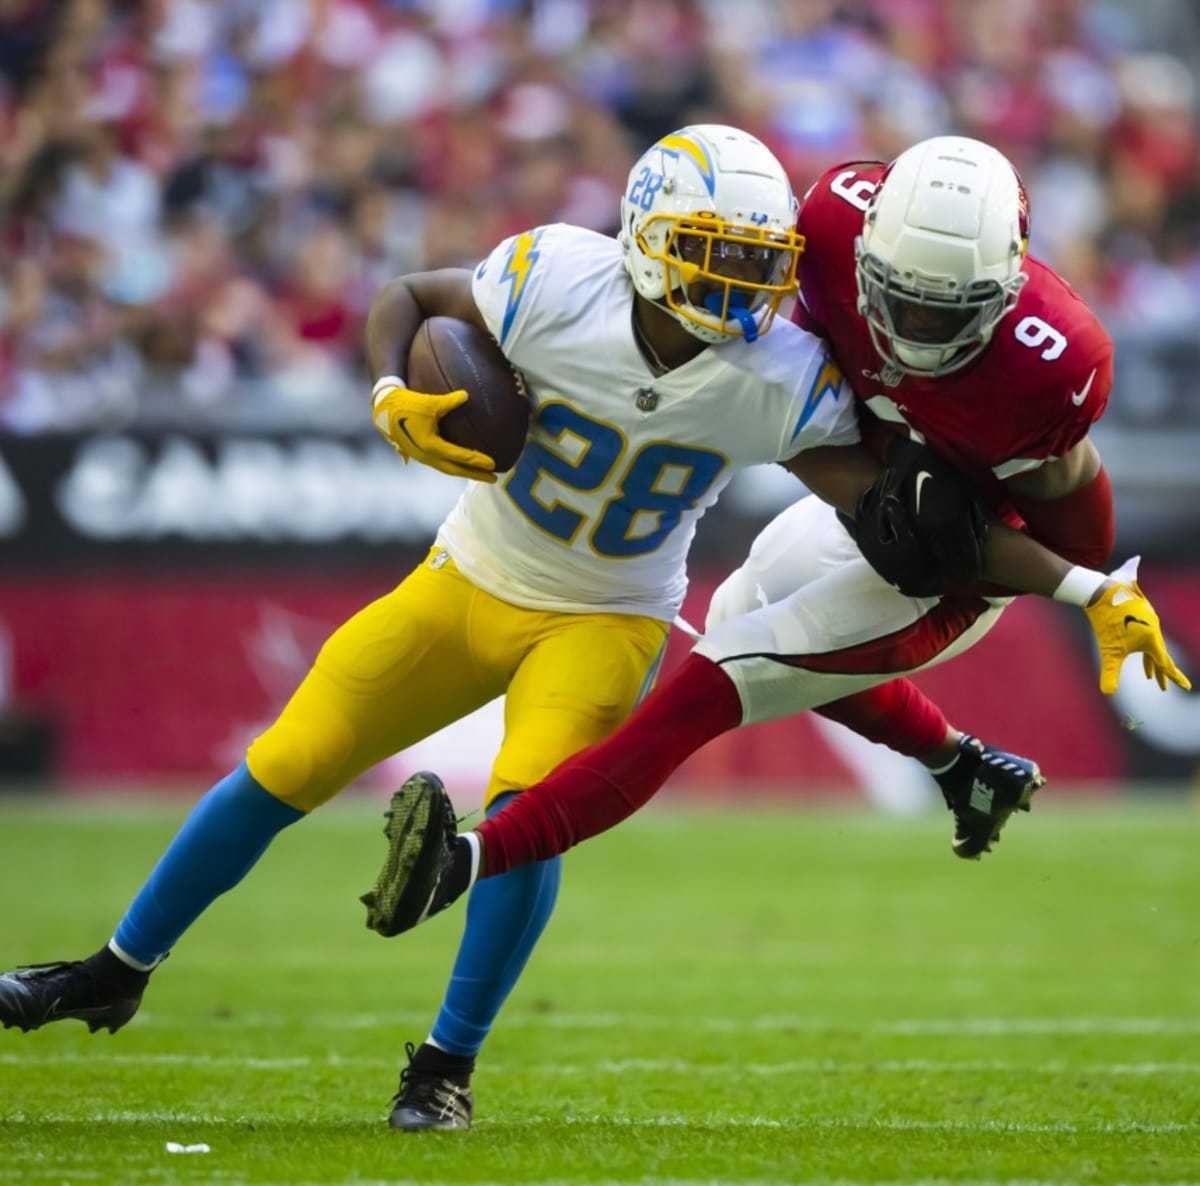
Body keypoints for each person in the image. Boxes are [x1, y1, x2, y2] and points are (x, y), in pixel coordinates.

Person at [0, 124, 1008, 1132]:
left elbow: (870, 496)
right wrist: (391, 388)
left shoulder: (780, 373)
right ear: (648, 238)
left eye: (760, 260)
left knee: (526, 814)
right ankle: (115, 970)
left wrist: (953, 516)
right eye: (718, 252)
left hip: (607, 619)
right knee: (284, 764)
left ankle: (444, 1066)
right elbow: (407, 300)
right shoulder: (555, 278)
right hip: (469, 576)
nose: (744, 285)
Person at [358, 135, 1192, 957]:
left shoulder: (1055, 360)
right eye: (899, 297)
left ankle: (464, 861)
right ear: (864, 254)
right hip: (875, 492)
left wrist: (1091, 586)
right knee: (740, 613)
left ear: (1005, 290)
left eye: (949, 309)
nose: (917, 326)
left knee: (724, 673)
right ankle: (964, 767)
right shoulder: (828, 221)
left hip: (972, 550)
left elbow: (1058, 505)